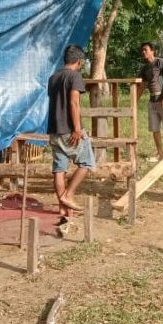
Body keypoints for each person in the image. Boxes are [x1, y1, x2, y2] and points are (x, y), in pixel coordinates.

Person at [47, 45, 95, 212]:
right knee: (87, 162)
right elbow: (74, 103)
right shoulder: (75, 76)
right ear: (79, 62)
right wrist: (77, 129)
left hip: (54, 129)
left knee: (59, 169)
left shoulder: (53, 78)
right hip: (69, 130)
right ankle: (68, 196)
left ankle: (63, 208)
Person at [137, 42, 163, 162]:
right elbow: (142, 86)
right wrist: (135, 101)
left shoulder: (160, 62)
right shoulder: (144, 68)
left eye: (146, 50)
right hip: (152, 101)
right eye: (142, 50)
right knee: (155, 129)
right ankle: (160, 154)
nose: (143, 52)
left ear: (152, 51)